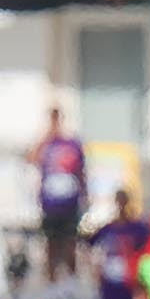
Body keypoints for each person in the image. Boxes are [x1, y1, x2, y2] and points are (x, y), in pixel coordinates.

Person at [32, 106, 87, 283]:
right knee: (51, 244)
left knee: (70, 243)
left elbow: (82, 171)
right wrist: (46, 137)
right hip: (50, 204)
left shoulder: (72, 144)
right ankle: (52, 280)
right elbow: (31, 158)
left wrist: (85, 195)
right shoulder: (45, 144)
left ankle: (71, 280)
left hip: (69, 203)